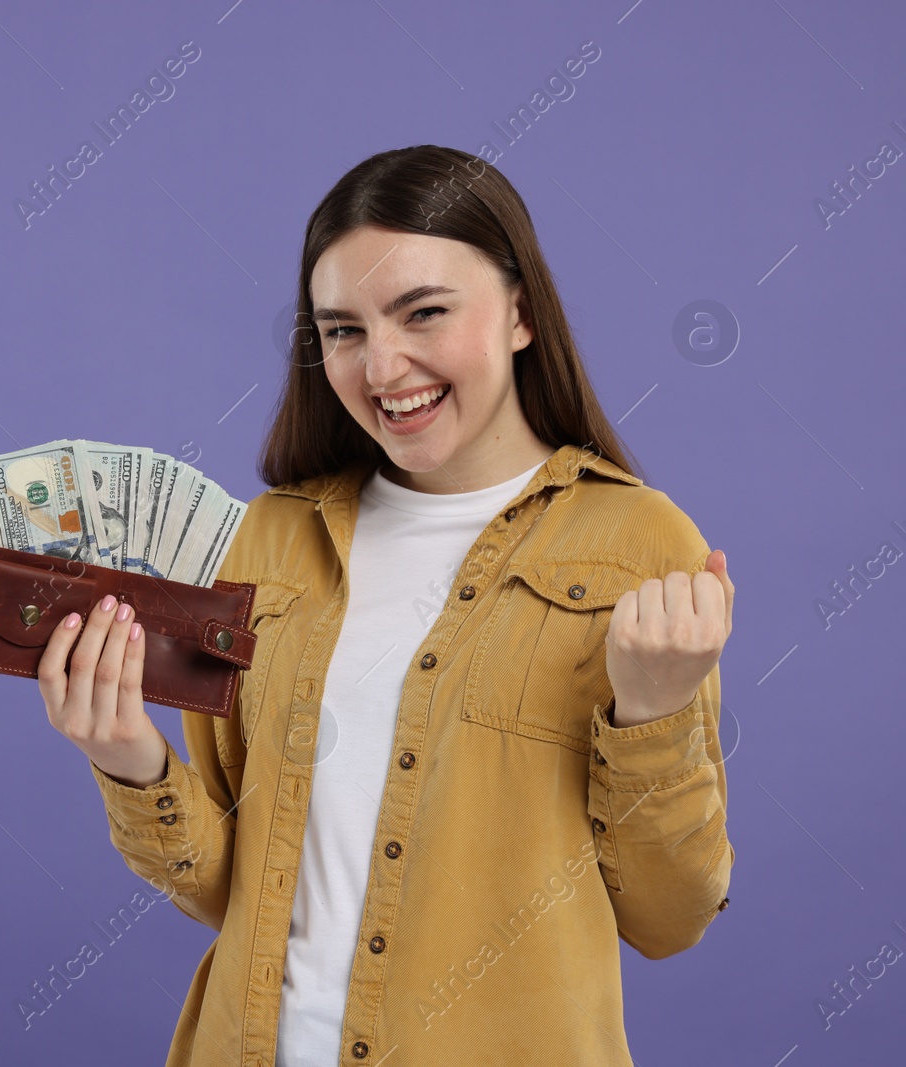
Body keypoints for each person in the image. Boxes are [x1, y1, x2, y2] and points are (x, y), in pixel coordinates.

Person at [36, 144, 735, 1067]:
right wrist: (127, 757)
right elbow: (228, 890)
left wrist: (651, 709)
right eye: (342, 331)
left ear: (521, 312)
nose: (381, 364)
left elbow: (669, 916)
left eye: (425, 313)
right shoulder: (271, 540)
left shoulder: (642, 548)